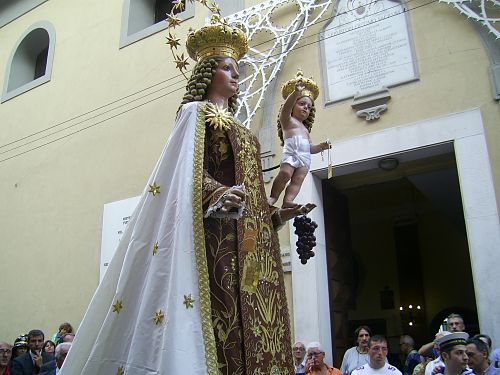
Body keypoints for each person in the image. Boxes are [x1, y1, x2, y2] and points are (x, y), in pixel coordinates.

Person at [60, 9, 310, 375]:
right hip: (219, 238)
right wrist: (218, 194)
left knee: (260, 325)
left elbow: (254, 193)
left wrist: (277, 214)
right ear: (208, 73)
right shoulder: (196, 113)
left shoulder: (244, 133)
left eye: (237, 69)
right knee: (224, 322)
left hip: (253, 245)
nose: (237, 74)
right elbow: (187, 172)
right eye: (228, 67)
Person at [268, 70, 330, 208]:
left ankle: (288, 200)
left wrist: (321, 146)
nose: (305, 108)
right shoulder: (288, 120)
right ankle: (273, 197)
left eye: (308, 107)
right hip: (291, 152)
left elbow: (310, 147)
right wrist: (295, 92)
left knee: (298, 180)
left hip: (304, 157)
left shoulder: (305, 129)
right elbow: (285, 108)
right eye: (302, 104)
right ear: (293, 106)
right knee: (285, 173)